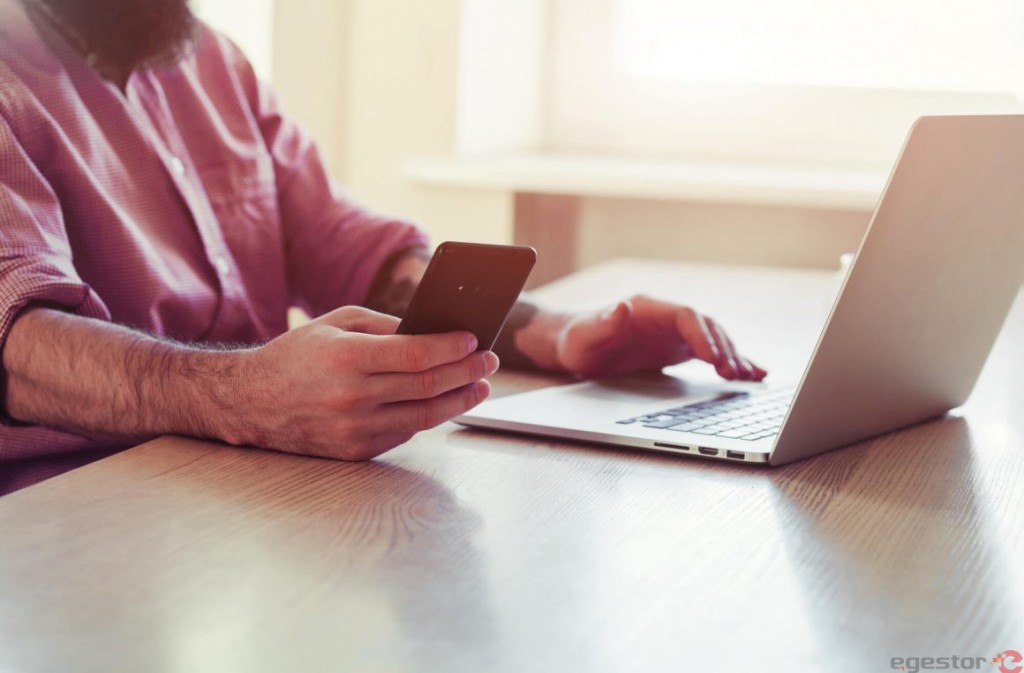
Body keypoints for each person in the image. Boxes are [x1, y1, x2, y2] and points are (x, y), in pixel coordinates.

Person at [0, 0, 766, 495]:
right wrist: (244, 397)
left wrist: (554, 332)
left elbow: (349, 248)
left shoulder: (213, 60)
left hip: (254, 493)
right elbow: (17, 348)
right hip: (75, 523)